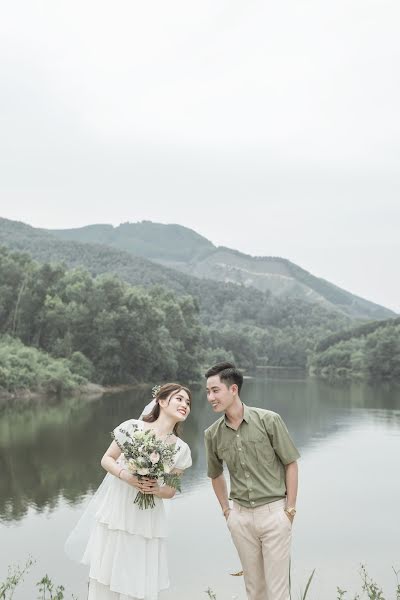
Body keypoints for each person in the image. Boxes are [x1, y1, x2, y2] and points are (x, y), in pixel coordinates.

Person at [65, 383, 192, 600]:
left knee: (138, 574)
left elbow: (170, 490)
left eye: (188, 403)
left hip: (147, 517)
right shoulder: (134, 428)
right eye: (179, 399)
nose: (185, 405)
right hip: (119, 509)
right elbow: (107, 459)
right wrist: (127, 476)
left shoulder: (181, 449)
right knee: (107, 573)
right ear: (161, 401)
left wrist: (156, 488)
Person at [204, 362, 299, 600]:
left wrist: (289, 510)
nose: (210, 397)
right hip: (241, 518)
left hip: (274, 514)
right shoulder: (212, 434)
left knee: (278, 591)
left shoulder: (269, 420)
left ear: (233, 389)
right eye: (207, 391)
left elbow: (290, 463)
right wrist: (227, 512)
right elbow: (215, 474)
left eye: (215, 390)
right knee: (254, 590)